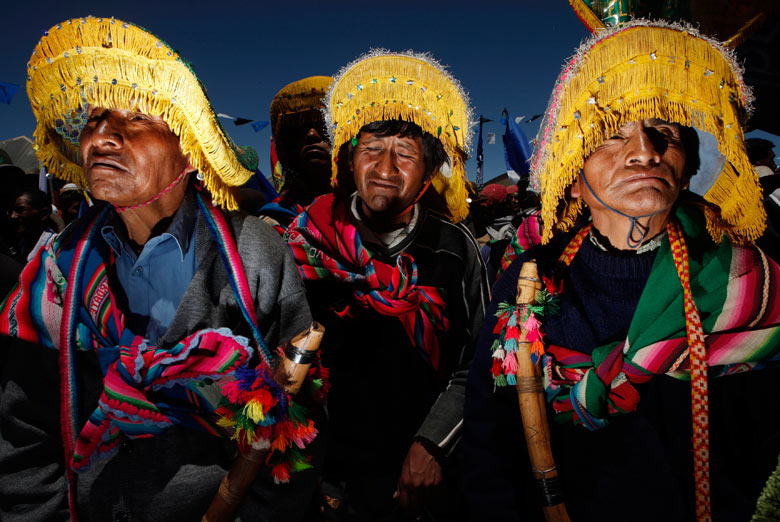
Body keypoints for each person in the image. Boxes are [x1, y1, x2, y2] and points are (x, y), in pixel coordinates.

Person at [0, 16, 323, 522]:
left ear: (189, 149)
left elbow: (294, 418)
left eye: (136, 121)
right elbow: (24, 433)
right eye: (95, 121)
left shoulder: (256, 253)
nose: (103, 137)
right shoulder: (55, 266)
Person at [463, 21, 780, 522]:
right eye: (613, 136)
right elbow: (488, 434)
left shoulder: (746, 281)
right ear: (572, 180)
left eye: (666, 134)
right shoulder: (530, 280)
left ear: (687, 164)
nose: (645, 151)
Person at [285, 51, 489, 520]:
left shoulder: (453, 248)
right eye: (372, 148)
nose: (386, 167)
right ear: (349, 157)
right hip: (323, 477)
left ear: (428, 171)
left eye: (407, 154)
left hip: (421, 477)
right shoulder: (305, 240)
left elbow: (475, 362)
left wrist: (433, 444)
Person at [258, 76, 334, 233]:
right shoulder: (272, 222)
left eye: (323, 125)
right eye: (300, 128)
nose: (312, 134)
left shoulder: (376, 207)